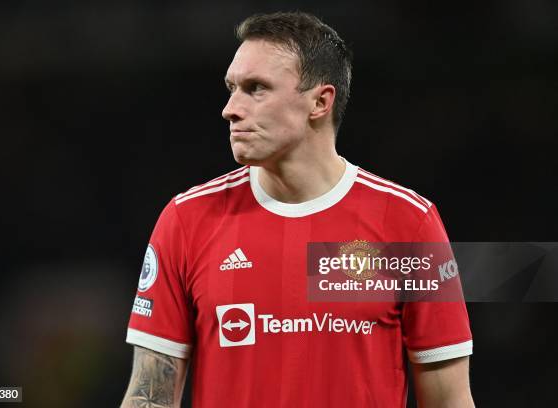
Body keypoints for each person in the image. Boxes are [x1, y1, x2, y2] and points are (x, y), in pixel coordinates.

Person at [121, 11, 474, 407]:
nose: (230, 109)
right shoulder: (187, 220)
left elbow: (449, 400)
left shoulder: (408, 223)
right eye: (231, 88)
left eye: (256, 88)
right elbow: (149, 398)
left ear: (320, 102)